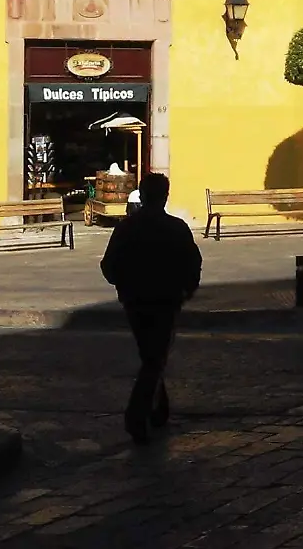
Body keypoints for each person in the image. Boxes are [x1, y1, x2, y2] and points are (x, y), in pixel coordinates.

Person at [98, 172, 201, 444]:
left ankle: (159, 409)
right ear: (165, 196)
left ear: (141, 196)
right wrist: (186, 289)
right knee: (155, 357)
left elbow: (108, 266)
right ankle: (137, 415)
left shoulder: (125, 228)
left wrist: (123, 285)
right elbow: (193, 263)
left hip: (135, 301)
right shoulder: (177, 228)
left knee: (151, 355)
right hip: (166, 300)